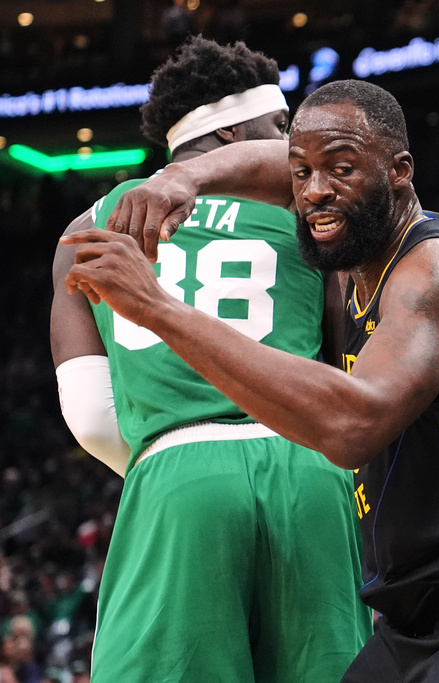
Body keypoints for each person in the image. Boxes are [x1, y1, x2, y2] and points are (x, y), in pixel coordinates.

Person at [58, 79, 439, 683]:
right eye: (301, 174)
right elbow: (280, 160)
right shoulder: (355, 266)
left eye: (341, 170)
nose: (316, 193)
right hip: (415, 617)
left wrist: (158, 308)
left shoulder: (438, 274)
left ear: (400, 170)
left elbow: (353, 424)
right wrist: (179, 180)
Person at [50, 38, 371, 682]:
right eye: (279, 127)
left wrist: (177, 458)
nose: (291, 142)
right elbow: (339, 368)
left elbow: (89, 418)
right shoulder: (308, 209)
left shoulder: (85, 232)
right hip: (306, 469)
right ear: (232, 129)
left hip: (174, 475)